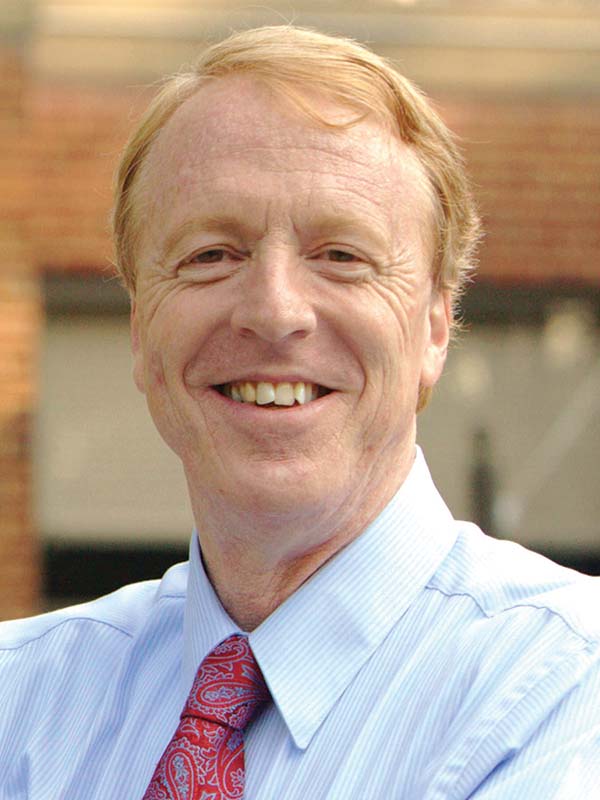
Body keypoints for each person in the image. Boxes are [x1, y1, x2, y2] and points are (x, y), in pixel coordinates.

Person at [1, 25, 599, 799]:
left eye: (342, 256)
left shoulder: (562, 688)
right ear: (142, 330)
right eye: (210, 254)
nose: (275, 311)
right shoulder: (21, 704)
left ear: (434, 329)